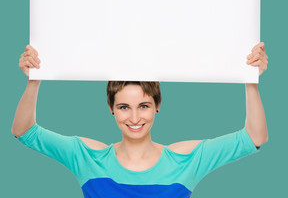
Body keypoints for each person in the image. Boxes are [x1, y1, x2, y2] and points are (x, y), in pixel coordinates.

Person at [12, 43, 269, 197]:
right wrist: (35, 79)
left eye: (143, 106)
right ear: (111, 108)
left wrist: (250, 79)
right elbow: (24, 131)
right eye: (124, 107)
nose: (134, 117)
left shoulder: (185, 160)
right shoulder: (87, 157)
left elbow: (254, 137)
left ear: (157, 106)